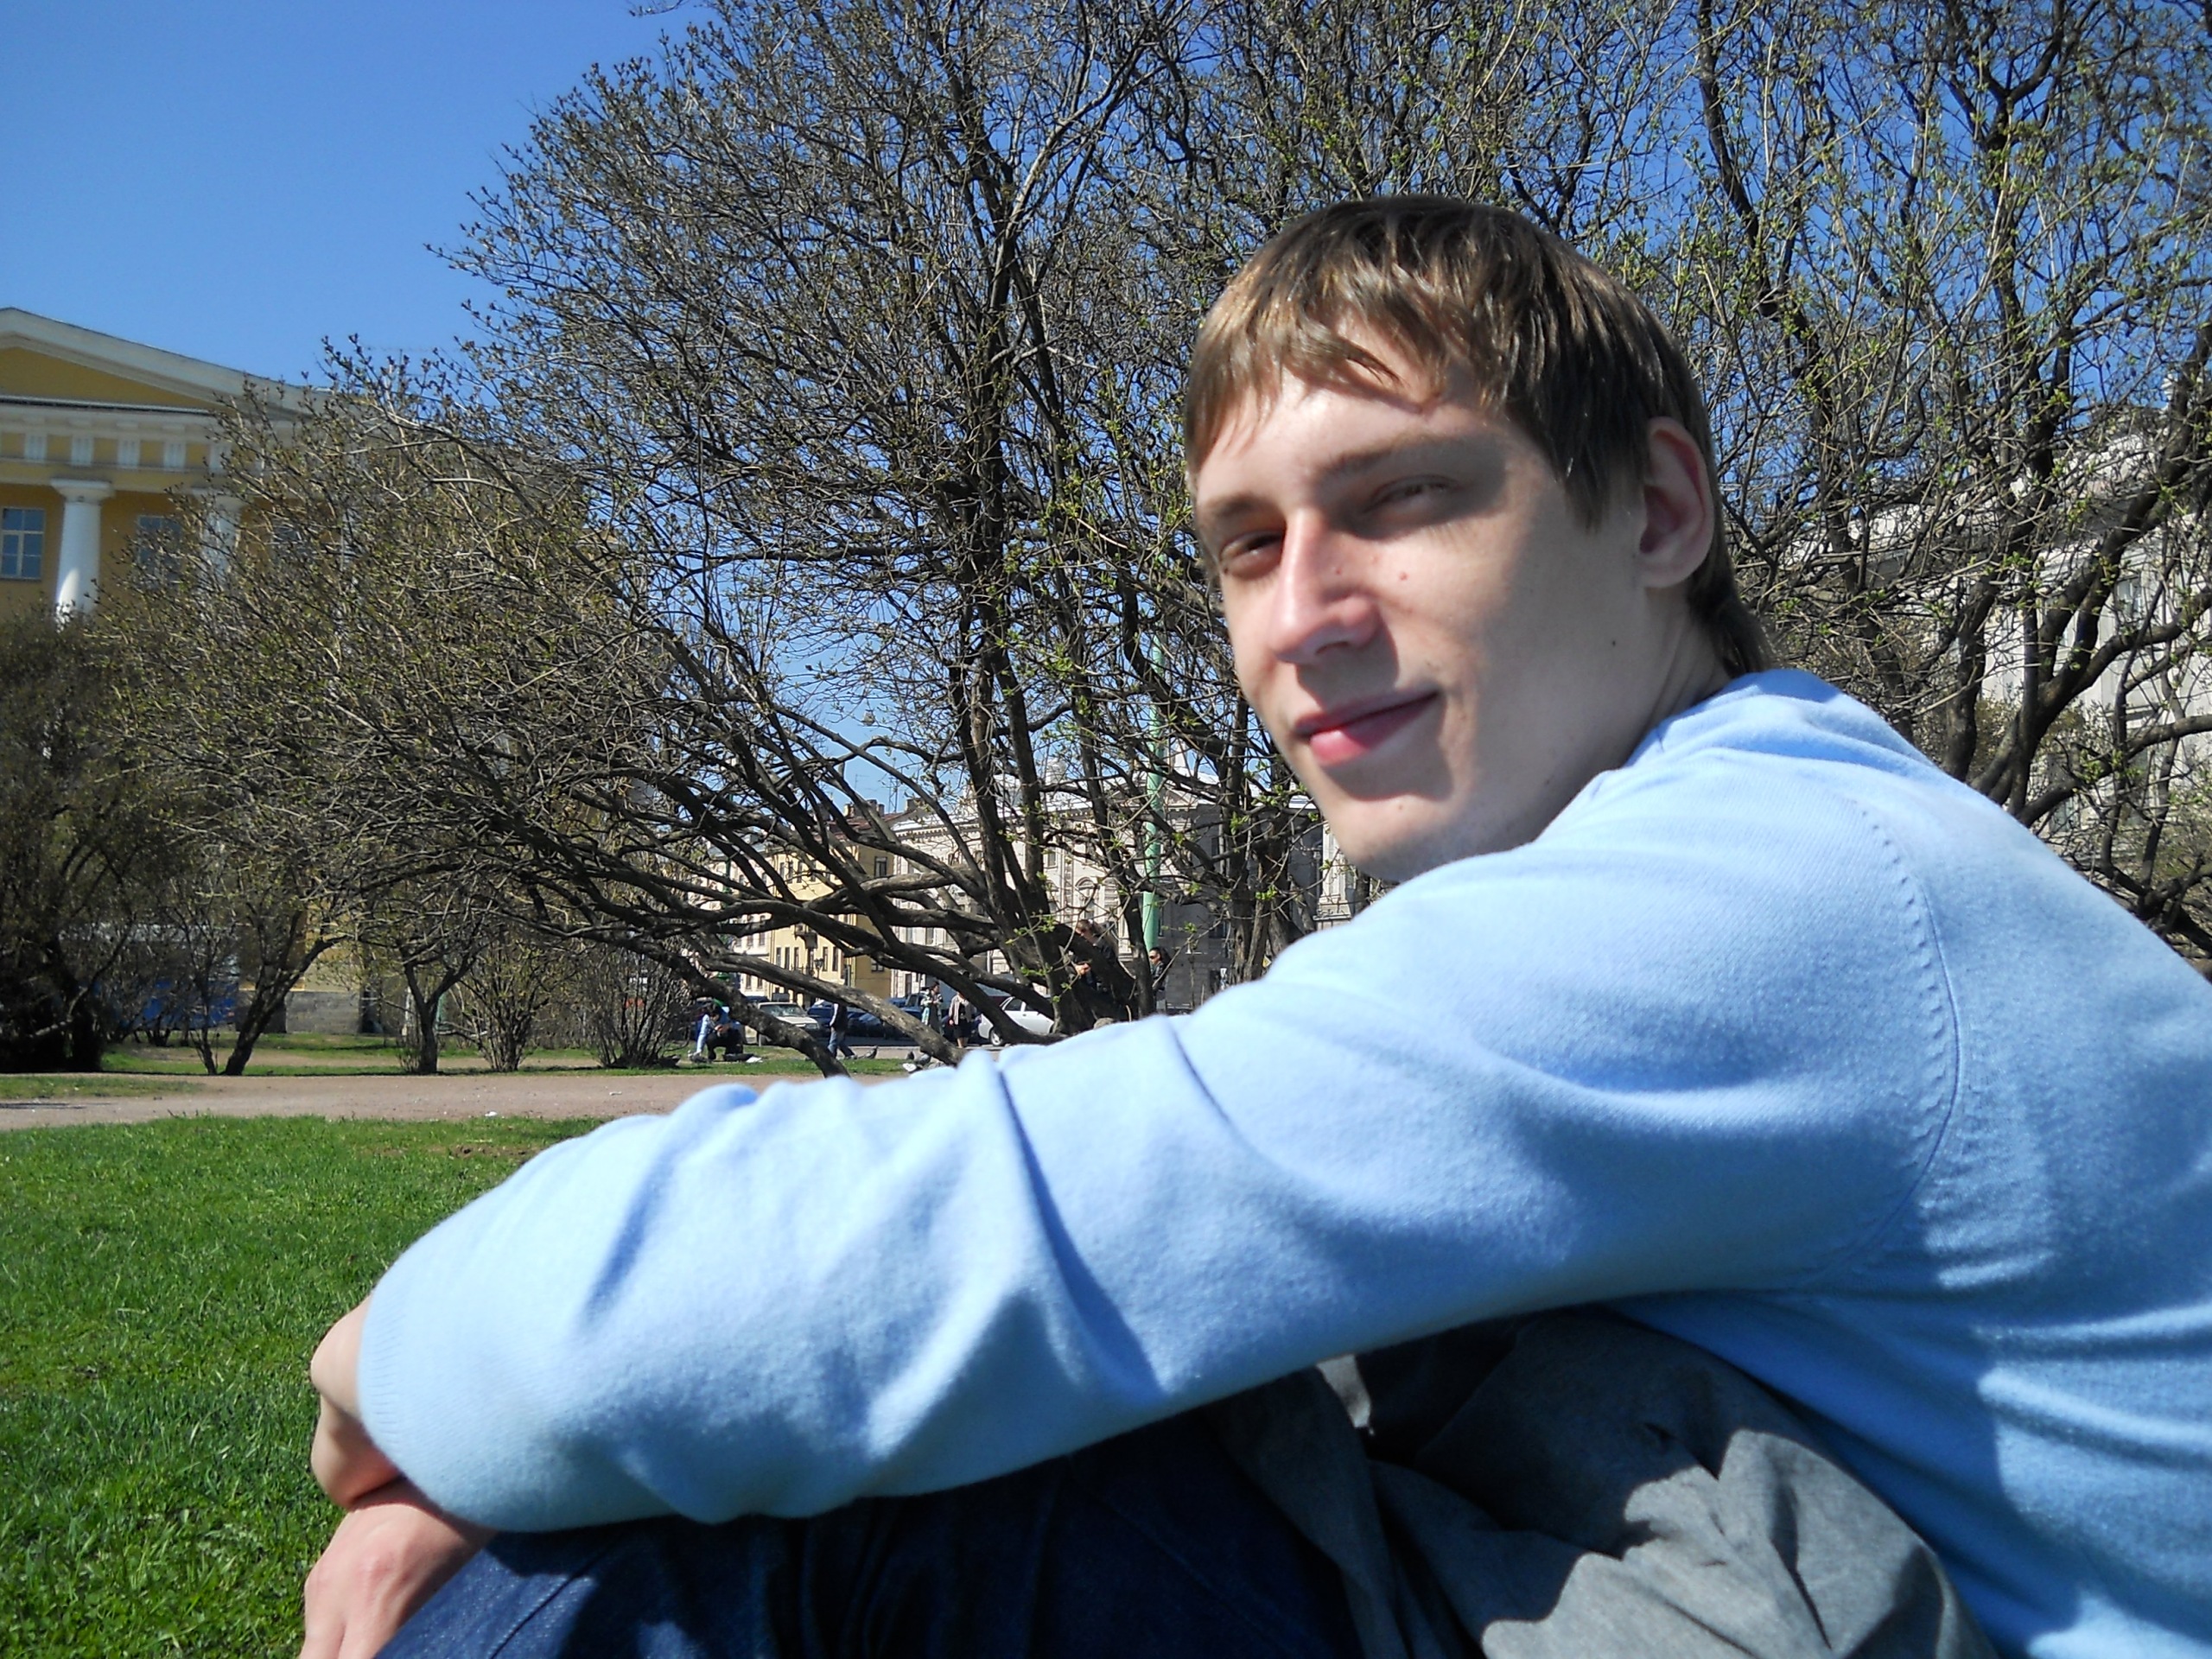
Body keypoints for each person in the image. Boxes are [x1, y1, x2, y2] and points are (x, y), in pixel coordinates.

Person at [298, 198, 2212, 1659]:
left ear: (1652, 512)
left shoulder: (1767, 892)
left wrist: (412, 1360)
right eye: (1246, 543)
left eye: (1400, 500)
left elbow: (977, 1237)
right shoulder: (1740, 837)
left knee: (770, 1539)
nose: (1299, 618)